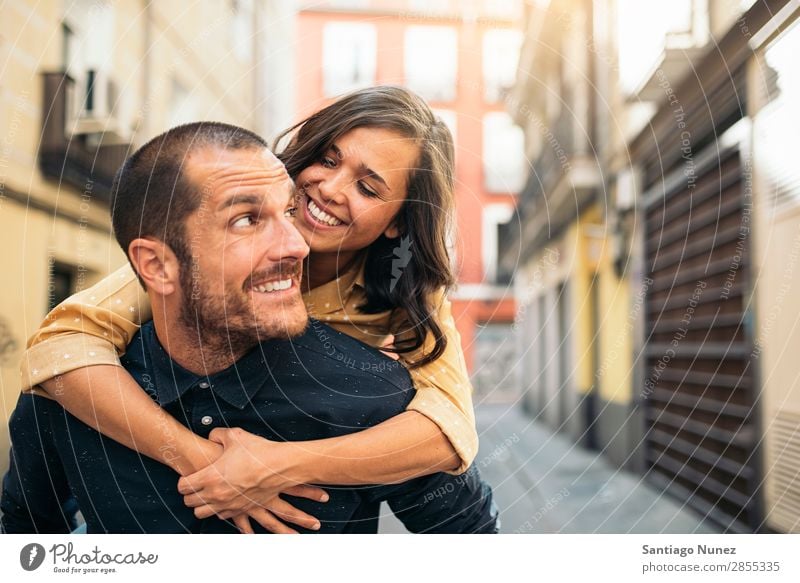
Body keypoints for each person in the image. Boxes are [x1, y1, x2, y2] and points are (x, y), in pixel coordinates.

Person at [18, 86, 478, 531]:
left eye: (368, 188)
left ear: (397, 222)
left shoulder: (406, 298)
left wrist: (278, 466)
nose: (330, 188)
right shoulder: (203, 260)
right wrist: (206, 463)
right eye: (328, 159)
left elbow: (449, 431)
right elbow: (61, 345)